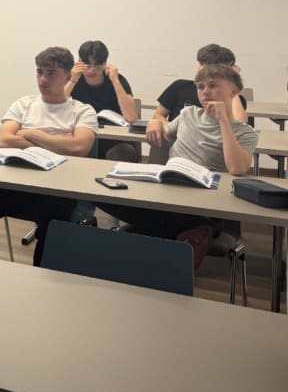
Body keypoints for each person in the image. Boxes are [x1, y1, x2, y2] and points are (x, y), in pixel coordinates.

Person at [0, 47, 98, 266]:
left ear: (68, 76)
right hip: (12, 183)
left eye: (51, 73)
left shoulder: (83, 111)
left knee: (52, 231)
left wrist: (31, 133)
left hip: (56, 188)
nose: (43, 79)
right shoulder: (24, 104)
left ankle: (40, 279)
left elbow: (79, 148)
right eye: (39, 72)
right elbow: (4, 140)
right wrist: (58, 141)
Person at [100, 64, 257, 268]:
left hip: (207, 203)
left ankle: (197, 231)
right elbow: (164, 130)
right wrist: (155, 123)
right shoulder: (188, 114)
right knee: (104, 196)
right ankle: (198, 232)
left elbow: (237, 168)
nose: (205, 92)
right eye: (200, 87)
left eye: (213, 85)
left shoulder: (245, 132)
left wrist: (223, 122)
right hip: (170, 193)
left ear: (233, 92)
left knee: (142, 227)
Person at [147, 43, 248, 149]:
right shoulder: (180, 86)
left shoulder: (232, 98)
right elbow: (159, 114)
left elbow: (240, 123)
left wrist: (232, 82)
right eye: (201, 63)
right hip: (178, 144)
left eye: (209, 66)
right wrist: (171, 128)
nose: (201, 69)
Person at [64, 40, 140, 161]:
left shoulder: (117, 79)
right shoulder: (73, 79)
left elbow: (132, 118)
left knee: (124, 152)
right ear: (79, 62)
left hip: (113, 139)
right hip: (81, 133)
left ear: (105, 64)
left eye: (97, 67)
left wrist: (115, 80)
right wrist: (72, 80)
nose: (91, 71)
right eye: (87, 66)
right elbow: (56, 105)